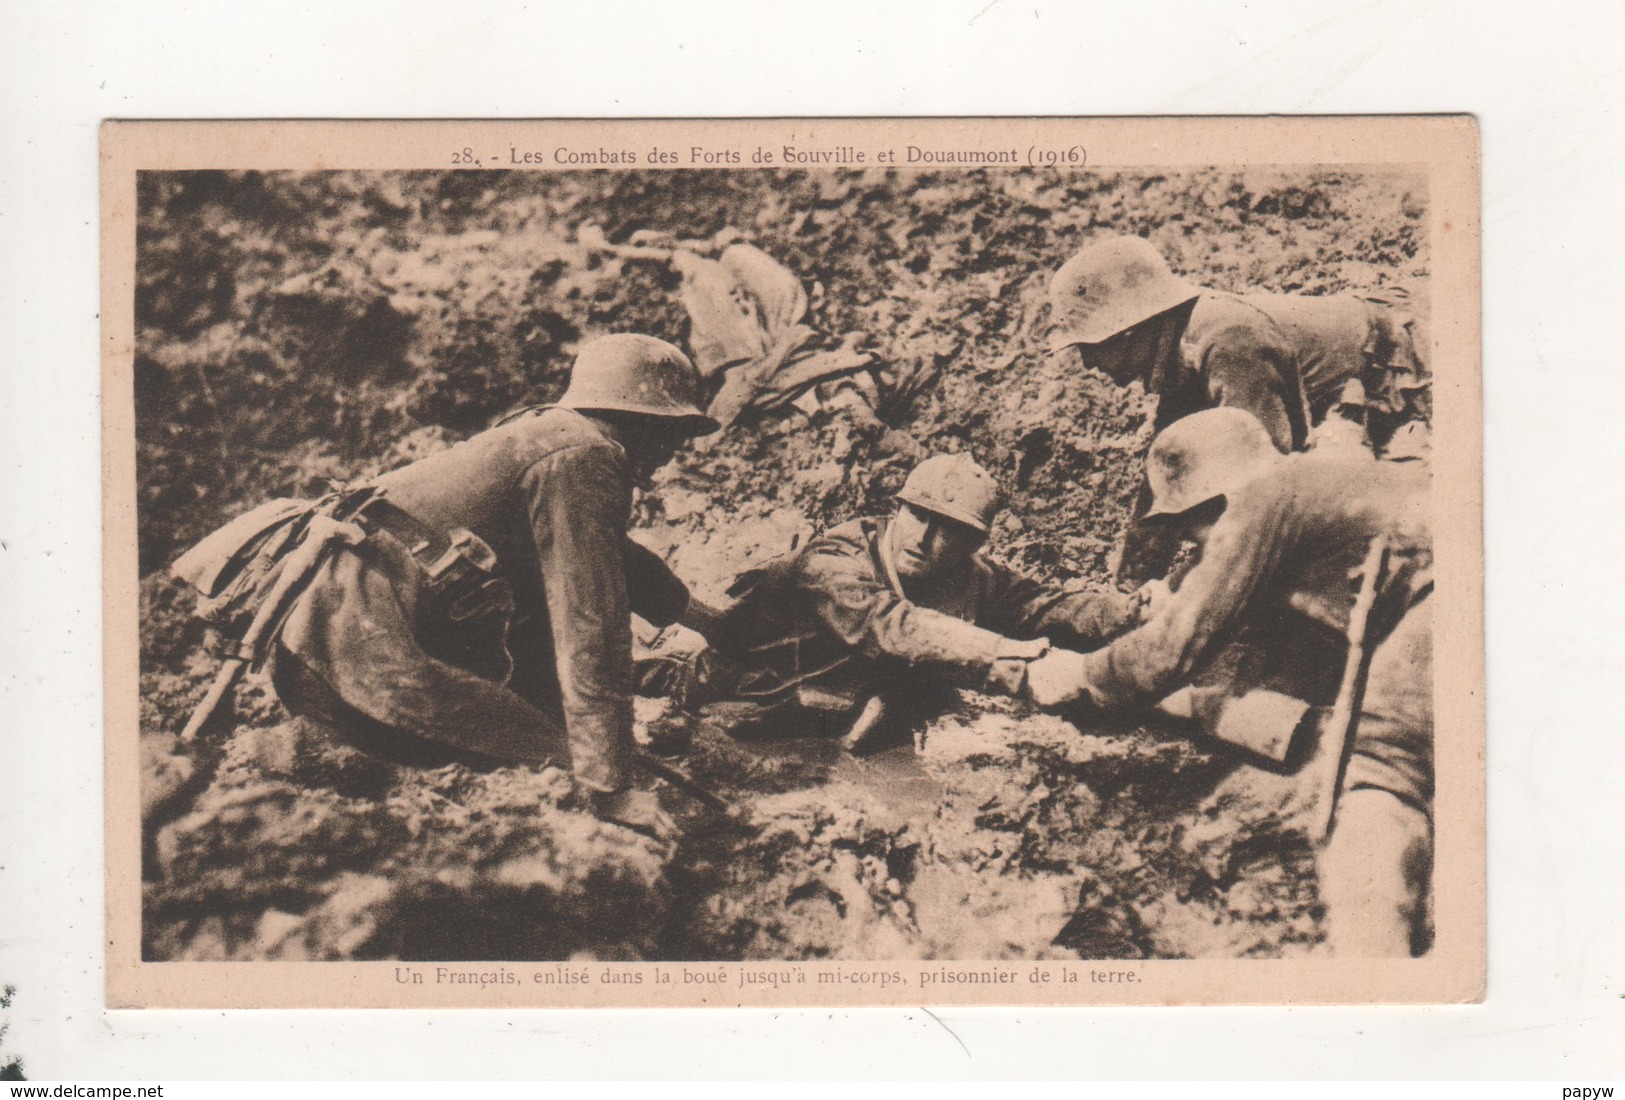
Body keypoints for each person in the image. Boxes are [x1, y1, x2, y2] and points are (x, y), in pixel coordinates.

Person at [193, 334, 720, 839]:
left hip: (320, 653)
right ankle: (297, 761)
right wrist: (610, 787)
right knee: (557, 762)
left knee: (554, 738)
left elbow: (610, 556)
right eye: (671, 430)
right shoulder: (585, 455)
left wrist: (704, 618)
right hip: (358, 667)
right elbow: (591, 627)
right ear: (637, 419)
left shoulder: (546, 435)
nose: (675, 449)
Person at [1027, 408, 1434, 956]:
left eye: (1191, 533)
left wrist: (1081, 673)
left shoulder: (1265, 498)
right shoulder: (1321, 481)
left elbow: (1171, 652)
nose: (1200, 549)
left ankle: (1381, 983)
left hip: (1436, 614)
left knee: (1377, 776)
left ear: (1213, 500)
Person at [646, 453, 1158, 750]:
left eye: (950, 530)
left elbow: (1048, 606)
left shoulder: (972, 575)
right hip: (743, 699)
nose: (924, 538)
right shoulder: (835, 560)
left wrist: (1132, 612)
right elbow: (894, 627)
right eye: (917, 515)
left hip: (836, 708)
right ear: (898, 510)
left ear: (975, 544)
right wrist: (1022, 667)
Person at [1046, 234, 1429, 581]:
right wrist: (1130, 590)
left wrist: (1191, 588)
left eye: (1092, 348)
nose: (1089, 364)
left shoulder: (1230, 343)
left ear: (1129, 331)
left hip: (1414, 364)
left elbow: (1264, 491)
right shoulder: (1184, 352)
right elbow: (1165, 479)